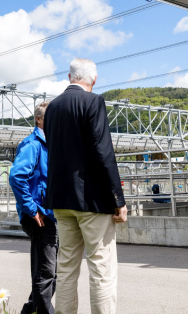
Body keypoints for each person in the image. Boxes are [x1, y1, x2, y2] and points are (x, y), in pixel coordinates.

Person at [44, 58, 128, 314]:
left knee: (67, 267)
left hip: (61, 200)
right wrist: (118, 199)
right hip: (92, 201)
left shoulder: (52, 108)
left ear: (70, 77)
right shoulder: (93, 102)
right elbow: (103, 153)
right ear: (94, 79)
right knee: (101, 269)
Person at [9, 100, 58, 314]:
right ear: (38, 119)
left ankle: (30, 310)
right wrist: (32, 208)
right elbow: (17, 177)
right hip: (40, 215)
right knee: (45, 274)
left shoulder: (50, 144)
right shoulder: (33, 144)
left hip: (51, 213)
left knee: (50, 273)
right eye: (51, 116)